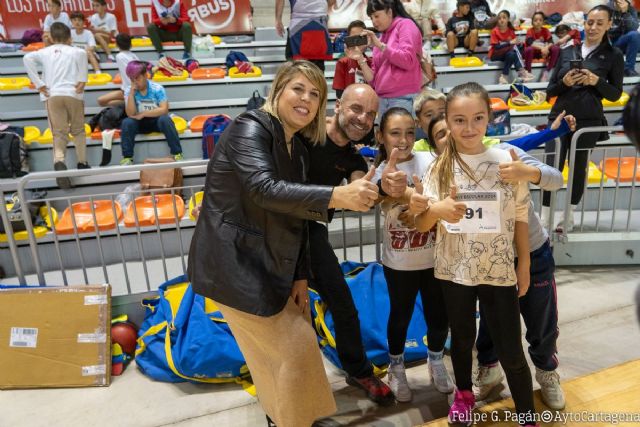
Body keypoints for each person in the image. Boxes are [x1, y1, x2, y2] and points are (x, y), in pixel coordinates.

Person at [188, 60, 380, 427]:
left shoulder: (295, 146)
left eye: (314, 94)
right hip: (236, 264)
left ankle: (287, 416)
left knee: (274, 355)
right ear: (278, 90)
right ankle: (293, 417)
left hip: (270, 262)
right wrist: (338, 197)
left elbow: (297, 219)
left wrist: (300, 276)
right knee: (297, 348)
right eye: (298, 89)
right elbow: (264, 189)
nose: (305, 99)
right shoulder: (250, 127)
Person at [422, 112, 576, 411]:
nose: (461, 131)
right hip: (484, 261)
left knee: (540, 323)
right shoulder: (440, 172)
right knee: (492, 328)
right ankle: (489, 372)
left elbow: (555, 180)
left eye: (473, 120)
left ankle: (546, 372)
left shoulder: (504, 155)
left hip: (529, 253)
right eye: (442, 133)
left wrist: (527, 173)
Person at [413, 82, 536, 426]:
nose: (469, 128)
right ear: (447, 123)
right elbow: (422, 223)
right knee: (463, 338)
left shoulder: (507, 161)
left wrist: (523, 262)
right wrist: (438, 209)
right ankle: (464, 395)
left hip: (497, 269)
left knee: (511, 348)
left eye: (478, 118)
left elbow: (522, 215)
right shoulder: (438, 168)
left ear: (490, 119)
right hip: (455, 271)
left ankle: (527, 414)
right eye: (460, 120)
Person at [305, 83, 394, 405]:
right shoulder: (305, 132)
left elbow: (359, 185)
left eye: (370, 114)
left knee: (342, 303)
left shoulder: (351, 155)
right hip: (272, 230)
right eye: (357, 109)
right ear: (338, 106)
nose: (363, 118)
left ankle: (358, 370)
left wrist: (374, 187)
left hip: (310, 232)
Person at [372, 107, 454, 402]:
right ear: (381, 136)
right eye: (395, 133)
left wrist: (423, 211)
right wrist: (396, 191)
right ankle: (396, 367)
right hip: (400, 262)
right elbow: (377, 190)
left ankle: (435, 360)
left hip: (434, 258)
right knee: (400, 315)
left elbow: (443, 197)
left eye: (409, 132)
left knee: (438, 314)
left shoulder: (429, 160)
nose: (404, 140)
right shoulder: (381, 171)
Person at [541, 5, 624, 232]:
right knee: (550, 168)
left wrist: (596, 81)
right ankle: (544, 217)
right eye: (590, 22)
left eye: (600, 23)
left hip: (588, 122)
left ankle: (568, 217)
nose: (594, 27)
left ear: (609, 25)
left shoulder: (614, 55)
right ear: (584, 23)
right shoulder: (567, 50)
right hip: (558, 118)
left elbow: (616, 94)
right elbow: (550, 90)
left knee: (578, 169)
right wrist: (564, 83)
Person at [23, 22, 89, 189]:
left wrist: (39, 84)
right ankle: (82, 162)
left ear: (51, 38)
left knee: (59, 133)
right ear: (70, 37)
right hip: (73, 94)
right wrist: (81, 81)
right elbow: (82, 76)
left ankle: (59, 160)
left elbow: (26, 58)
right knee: (79, 130)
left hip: (53, 94)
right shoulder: (78, 51)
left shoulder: (44, 52)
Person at [349, 0, 422, 118]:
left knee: (402, 135)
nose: (374, 21)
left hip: (404, 97)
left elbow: (408, 60)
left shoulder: (405, 25)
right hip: (382, 99)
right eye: (371, 17)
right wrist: (360, 59)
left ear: (389, 12)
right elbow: (373, 80)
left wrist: (380, 45)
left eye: (377, 16)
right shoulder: (381, 37)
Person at [120, 60, 183, 165]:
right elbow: (130, 114)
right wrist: (131, 95)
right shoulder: (129, 90)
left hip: (156, 120)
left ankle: (177, 153)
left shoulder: (157, 88)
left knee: (166, 119)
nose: (135, 82)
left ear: (145, 75)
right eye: (132, 79)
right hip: (139, 123)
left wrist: (144, 113)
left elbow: (164, 109)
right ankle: (127, 157)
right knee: (127, 122)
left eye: (137, 78)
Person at [275, 0, 333, 71]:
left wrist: (278, 19)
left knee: (293, 69)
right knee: (317, 71)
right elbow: (331, 2)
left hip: (298, 26)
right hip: (318, 25)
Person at [488, 10, 534, 85]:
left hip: (507, 54)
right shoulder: (494, 31)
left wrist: (517, 43)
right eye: (499, 18)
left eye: (504, 18)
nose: (501, 20)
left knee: (512, 53)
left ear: (508, 19)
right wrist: (509, 42)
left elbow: (513, 46)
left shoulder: (511, 31)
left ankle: (504, 77)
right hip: (495, 54)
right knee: (514, 49)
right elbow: (496, 47)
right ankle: (521, 71)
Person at [332, 20, 372, 99]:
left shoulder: (371, 62)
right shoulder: (343, 62)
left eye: (360, 37)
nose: (357, 42)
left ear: (366, 38)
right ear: (348, 40)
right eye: (353, 38)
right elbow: (339, 93)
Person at [98, 33, 139, 107]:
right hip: (133, 88)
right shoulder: (134, 55)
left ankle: (130, 101)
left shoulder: (119, 56)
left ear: (117, 44)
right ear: (130, 44)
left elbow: (130, 73)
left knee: (101, 101)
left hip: (130, 89)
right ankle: (130, 101)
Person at [523, 11, 560, 82]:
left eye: (540, 20)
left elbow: (551, 42)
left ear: (543, 22)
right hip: (532, 54)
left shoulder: (545, 30)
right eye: (535, 20)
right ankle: (528, 73)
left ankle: (546, 72)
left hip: (543, 53)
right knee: (529, 49)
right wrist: (542, 48)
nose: (538, 22)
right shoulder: (530, 31)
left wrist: (546, 48)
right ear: (532, 22)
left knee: (556, 48)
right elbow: (530, 42)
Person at [608, 0, 640, 77]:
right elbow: (609, 32)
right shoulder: (607, 9)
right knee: (634, 35)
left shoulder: (631, 9)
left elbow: (633, 28)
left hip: (630, 43)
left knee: (634, 35)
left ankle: (628, 69)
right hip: (614, 44)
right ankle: (628, 68)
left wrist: (625, 13)